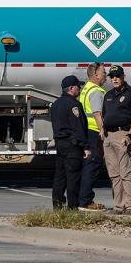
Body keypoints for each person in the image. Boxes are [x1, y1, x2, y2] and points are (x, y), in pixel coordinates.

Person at [101, 64, 131, 215]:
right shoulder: (109, 95)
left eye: (117, 76)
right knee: (114, 174)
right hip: (108, 136)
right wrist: (102, 129)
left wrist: (130, 135)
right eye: (112, 77)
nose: (114, 79)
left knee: (125, 173)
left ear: (123, 76)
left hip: (122, 135)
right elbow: (104, 115)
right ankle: (118, 206)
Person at [51, 74, 90, 210]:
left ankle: (57, 206)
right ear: (72, 88)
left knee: (60, 177)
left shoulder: (55, 104)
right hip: (72, 146)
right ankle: (72, 207)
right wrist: (85, 147)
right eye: (78, 86)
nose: (79, 89)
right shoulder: (74, 105)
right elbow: (78, 127)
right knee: (73, 177)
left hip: (60, 144)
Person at [78, 63, 108, 211]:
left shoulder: (86, 89)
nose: (106, 75)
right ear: (96, 75)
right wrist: (103, 133)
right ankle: (86, 201)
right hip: (94, 132)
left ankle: (83, 199)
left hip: (87, 131)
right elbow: (97, 114)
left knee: (87, 166)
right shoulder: (96, 91)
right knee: (93, 165)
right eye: (103, 72)